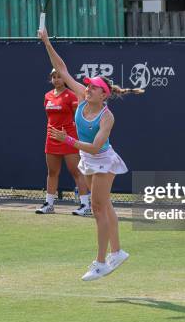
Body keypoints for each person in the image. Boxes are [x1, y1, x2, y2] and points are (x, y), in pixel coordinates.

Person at [39, 28, 142, 281]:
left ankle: (100, 262)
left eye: (93, 88)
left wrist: (69, 140)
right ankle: (116, 252)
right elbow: (62, 69)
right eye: (87, 87)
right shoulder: (81, 98)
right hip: (87, 159)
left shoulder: (107, 117)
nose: (87, 89)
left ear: (104, 94)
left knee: (97, 208)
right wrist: (47, 41)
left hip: (102, 160)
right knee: (105, 205)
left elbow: (96, 147)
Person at [37, 69, 91, 216]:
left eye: (59, 77)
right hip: (51, 137)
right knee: (52, 172)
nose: (56, 79)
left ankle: (85, 205)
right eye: (53, 77)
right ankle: (49, 204)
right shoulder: (47, 96)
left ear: (65, 79)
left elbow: (79, 116)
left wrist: (72, 134)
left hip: (68, 138)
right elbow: (50, 117)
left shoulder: (72, 95)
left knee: (76, 171)